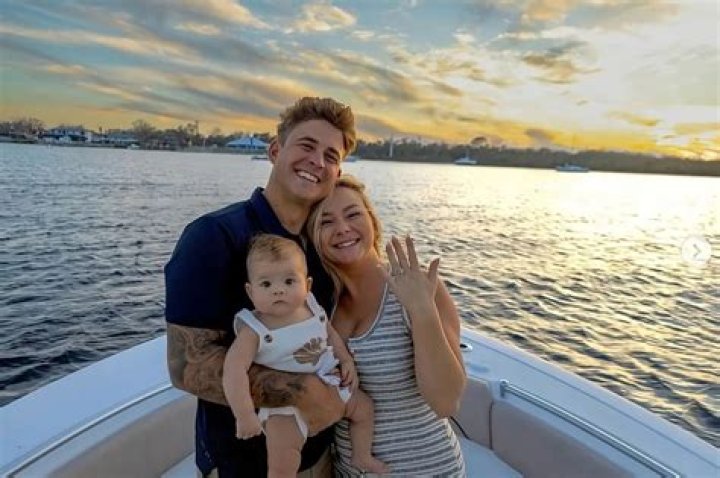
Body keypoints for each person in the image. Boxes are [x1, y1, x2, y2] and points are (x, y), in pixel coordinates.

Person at [165, 97, 356, 477]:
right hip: (242, 461)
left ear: (337, 172)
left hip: (321, 453)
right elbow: (185, 365)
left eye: (330, 156)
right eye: (306, 146)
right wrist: (305, 392)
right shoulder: (214, 236)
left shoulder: (323, 244)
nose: (317, 161)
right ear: (275, 150)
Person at [307, 175, 467, 476]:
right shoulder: (322, 304)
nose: (342, 228)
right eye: (326, 222)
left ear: (372, 221)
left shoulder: (416, 286)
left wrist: (422, 311)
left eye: (353, 214)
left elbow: (446, 402)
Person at [223, 233, 388, 477]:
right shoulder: (254, 329)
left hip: (332, 383)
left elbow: (330, 335)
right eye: (266, 284)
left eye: (289, 281)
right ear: (250, 291)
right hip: (286, 408)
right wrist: (244, 414)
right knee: (283, 460)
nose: (278, 290)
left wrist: (345, 360)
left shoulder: (312, 306)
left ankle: (361, 455)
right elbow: (233, 369)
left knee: (364, 409)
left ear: (307, 285)